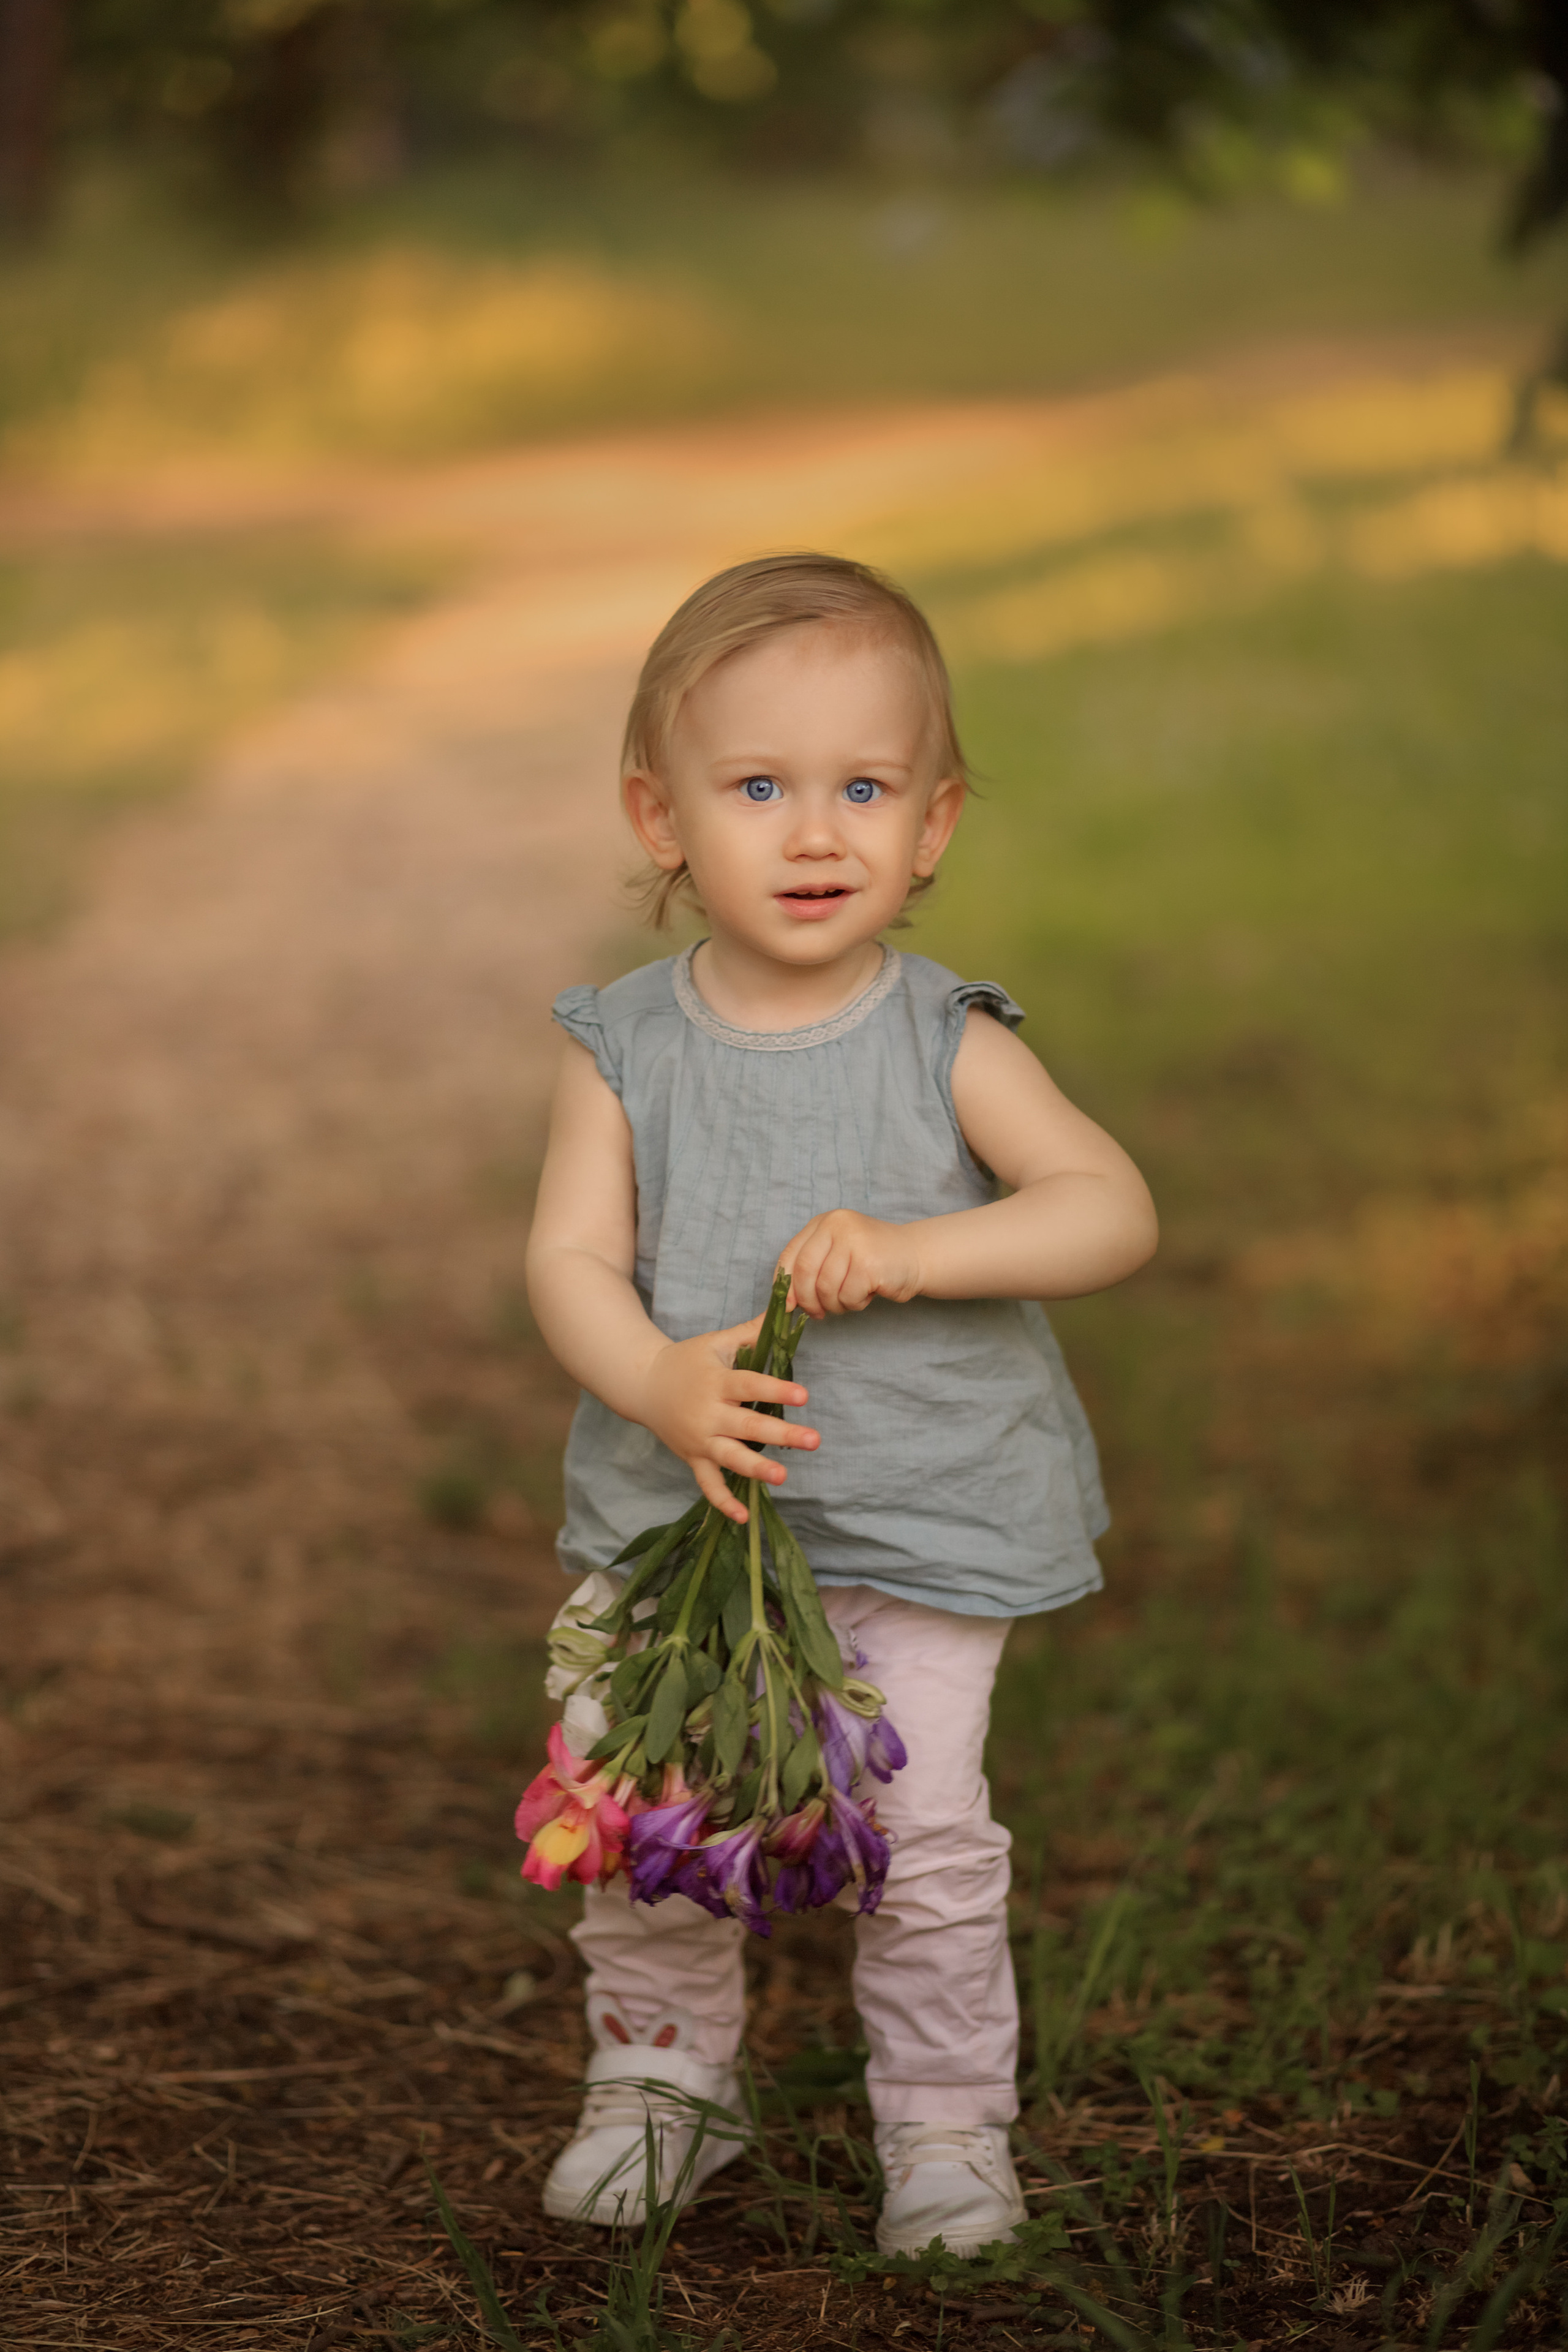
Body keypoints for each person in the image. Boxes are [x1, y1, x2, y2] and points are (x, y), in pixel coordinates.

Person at [524, 552, 1157, 2255]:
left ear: (933, 822)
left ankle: (946, 2126)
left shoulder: (948, 1041)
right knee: (643, 1807)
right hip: (684, 1533)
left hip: (926, 1523)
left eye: (865, 790)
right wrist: (656, 1377)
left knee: (923, 1830)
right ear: (659, 816)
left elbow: (1109, 1209)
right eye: (759, 789)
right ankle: (664, 2082)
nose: (817, 834)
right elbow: (569, 1261)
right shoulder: (622, 1047)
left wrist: (921, 1249)